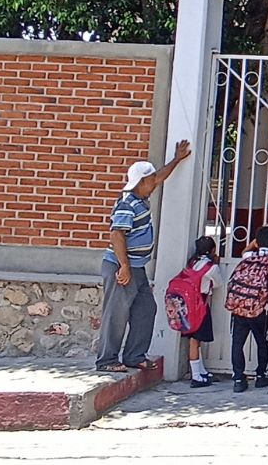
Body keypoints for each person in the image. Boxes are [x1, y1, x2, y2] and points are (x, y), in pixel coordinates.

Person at [96, 140, 192, 373]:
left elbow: (159, 176)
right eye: (150, 180)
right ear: (141, 182)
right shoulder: (127, 203)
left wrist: (177, 159)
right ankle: (107, 360)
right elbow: (117, 234)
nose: (154, 184)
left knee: (146, 309)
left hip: (136, 267)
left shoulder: (141, 197)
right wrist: (124, 266)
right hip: (121, 267)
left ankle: (134, 355)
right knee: (117, 313)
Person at [229, 225, 268, 393]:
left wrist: (253, 243)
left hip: (240, 306)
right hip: (259, 308)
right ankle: (261, 375)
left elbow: (243, 252)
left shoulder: (248, 256)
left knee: (237, 343)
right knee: (262, 342)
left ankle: (239, 379)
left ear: (257, 241)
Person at [183, 236, 224, 388]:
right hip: (201, 306)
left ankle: (201, 371)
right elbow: (218, 284)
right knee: (195, 340)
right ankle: (196, 376)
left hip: (188, 305)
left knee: (195, 340)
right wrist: (217, 265)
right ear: (212, 250)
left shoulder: (192, 262)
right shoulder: (211, 267)